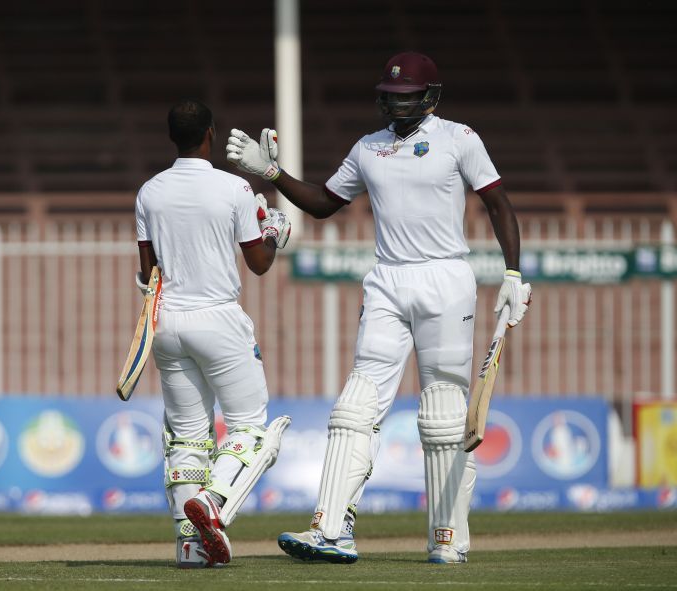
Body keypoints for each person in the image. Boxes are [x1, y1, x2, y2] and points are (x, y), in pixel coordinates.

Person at [226, 51, 531, 564]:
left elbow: (498, 203)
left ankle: (447, 537)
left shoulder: (460, 138)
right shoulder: (368, 148)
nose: (397, 106)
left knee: (441, 415)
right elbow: (324, 203)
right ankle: (331, 529)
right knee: (353, 408)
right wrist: (273, 173)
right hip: (387, 281)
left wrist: (514, 272)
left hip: (446, 278)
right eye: (390, 98)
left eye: (407, 97)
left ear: (431, 97)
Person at [135, 99, 292, 568]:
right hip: (218, 318)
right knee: (251, 429)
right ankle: (215, 501)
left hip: (167, 321)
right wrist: (275, 232)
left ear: (172, 137)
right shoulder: (235, 188)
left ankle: (190, 544)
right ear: (209, 134)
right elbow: (260, 264)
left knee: (186, 438)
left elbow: (148, 272)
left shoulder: (149, 192)